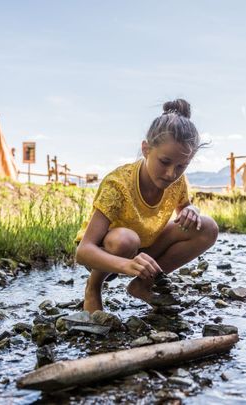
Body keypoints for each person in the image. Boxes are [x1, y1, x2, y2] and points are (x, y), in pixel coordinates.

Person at [75, 99, 219, 313]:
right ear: (146, 149)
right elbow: (83, 251)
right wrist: (127, 266)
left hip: (146, 248)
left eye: (181, 166)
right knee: (126, 240)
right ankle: (93, 287)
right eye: (164, 162)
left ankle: (142, 285)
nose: (171, 173)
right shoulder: (118, 184)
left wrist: (192, 210)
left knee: (207, 227)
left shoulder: (177, 182)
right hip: (109, 251)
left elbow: (185, 210)